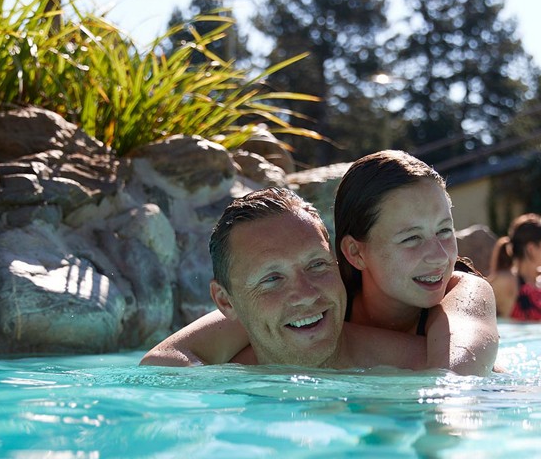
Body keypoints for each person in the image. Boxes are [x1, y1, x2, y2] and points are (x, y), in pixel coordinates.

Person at [141, 150, 498, 375]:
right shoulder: (320, 288)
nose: (440, 256)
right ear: (354, 253)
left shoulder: (462, 294)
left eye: (445, 231)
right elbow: (169, 358)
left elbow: (455, 384)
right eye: (410, 238)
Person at [144, 187, 426, 368]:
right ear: (226, 302)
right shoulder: (213, 391)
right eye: (272, 279)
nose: (306, 294)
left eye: (317, 265)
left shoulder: (420, 367)